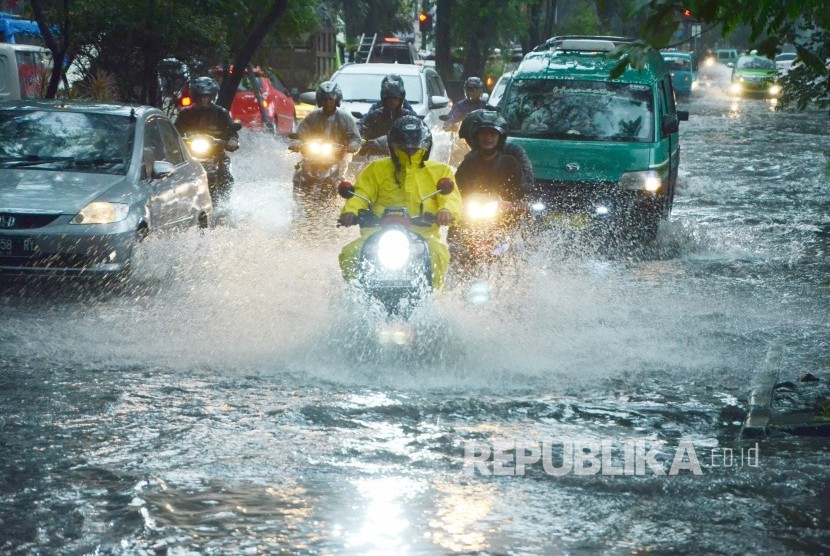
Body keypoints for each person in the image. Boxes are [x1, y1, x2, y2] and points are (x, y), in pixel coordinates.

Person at [338, 115, 462, 289]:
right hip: (377, 235)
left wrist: (446, 211)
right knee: (350, 253)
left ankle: (434, 301)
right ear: (393, 147)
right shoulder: (376, 169)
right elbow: (360, 193)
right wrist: (350, 212)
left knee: (438, 254)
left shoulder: (440, 171)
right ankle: (354, 296)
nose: (409, 151)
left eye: (414, 148)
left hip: (424, 236)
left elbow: (450, 197)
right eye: (403, 148)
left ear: (425, 147)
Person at [175, 76, 239, 202]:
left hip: (215, 154)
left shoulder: (221, 113)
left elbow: (232, 132)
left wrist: (232, 141)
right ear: (195, 96)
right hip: (190, 156)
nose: (203, 100)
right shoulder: (185, 114)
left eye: (207, 96)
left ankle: (224, 203)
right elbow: (174, 134)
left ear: (212, 97)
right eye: (200, 96)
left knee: (224, 173)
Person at [458, 109, 535, 196]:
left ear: (500, 137)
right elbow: (457, 185)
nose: (487, 137)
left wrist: (519, 201)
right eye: (483, 133)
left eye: (493, 133)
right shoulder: (470, 160)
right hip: (477, 203)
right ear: (476, 137)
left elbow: (526, 183)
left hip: (507, 202)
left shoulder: (512, 158)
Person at [357, 75, 416, 151]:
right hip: (377, 149)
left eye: (395, 98)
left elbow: (416, 125)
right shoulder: (376, 110)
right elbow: (365, 122)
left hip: (399, 149)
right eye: (389, 98)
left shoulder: (407, 112)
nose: (392, 101)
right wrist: (359, 128)